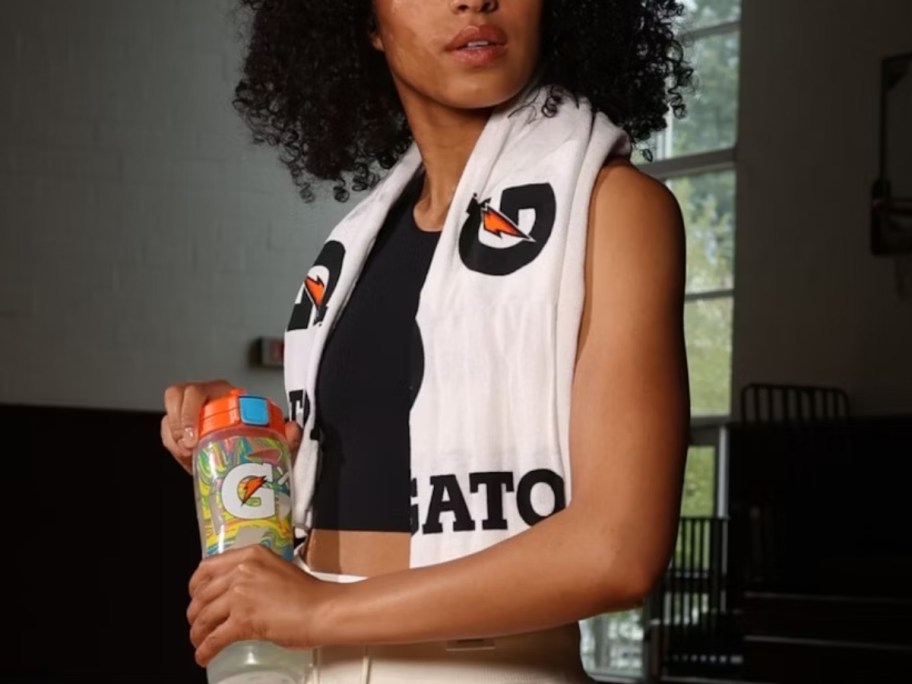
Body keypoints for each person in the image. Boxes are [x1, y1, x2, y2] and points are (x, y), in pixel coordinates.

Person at [161, 0, 693, 681]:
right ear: (365, 22)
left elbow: (616, 553)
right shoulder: (358, 248)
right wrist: (242, 438)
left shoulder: (615, 210)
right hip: (307, 665)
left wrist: (318, 611)